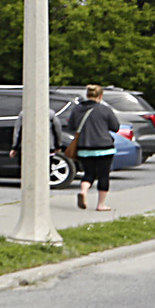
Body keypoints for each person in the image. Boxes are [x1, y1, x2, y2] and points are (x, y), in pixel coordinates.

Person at [64, 83, 121, 212]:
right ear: (100, 96)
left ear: (87, 95)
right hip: (104, 147)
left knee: (89, 174)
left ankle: (83, 191)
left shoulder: (77, 109)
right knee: (103, 175)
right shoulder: (104, 109)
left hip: (84, 147)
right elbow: (115, 127)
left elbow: (71, 126)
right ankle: (101, 204)